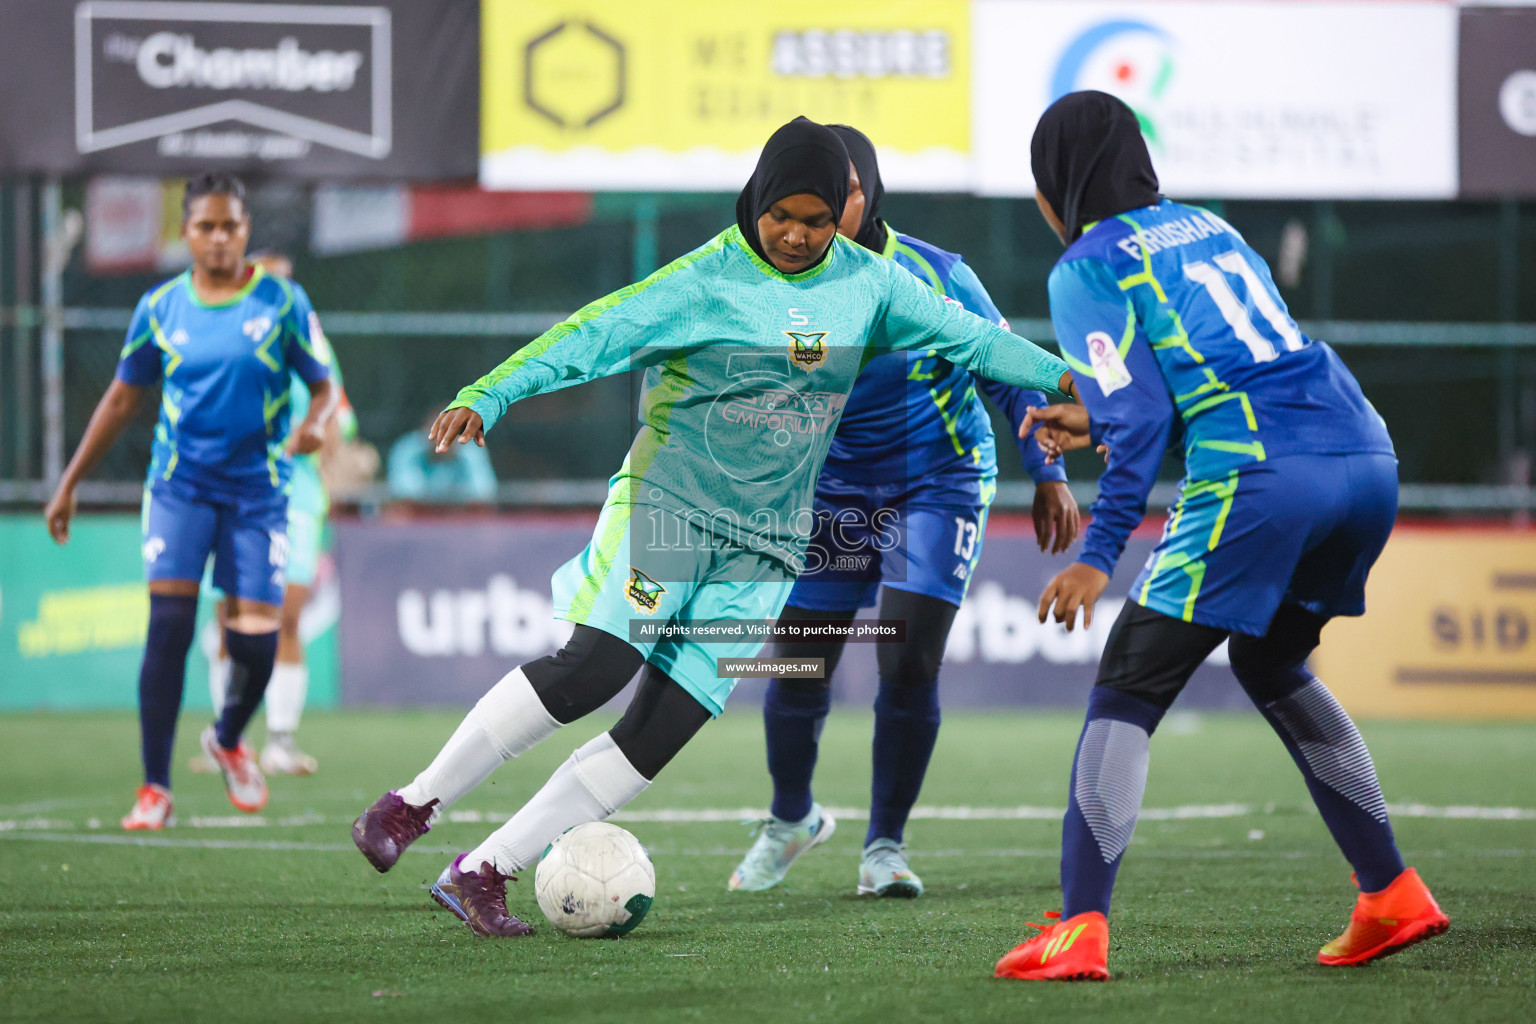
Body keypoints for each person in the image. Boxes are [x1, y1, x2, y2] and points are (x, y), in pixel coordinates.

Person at [350, 117, 1078, 937]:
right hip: (672, 507)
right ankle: (412, 805)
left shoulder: (873, 285)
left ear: (846, 208)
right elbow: (592, 335)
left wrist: (1071, 382)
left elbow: (978, 341)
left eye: (815, 217)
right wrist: (492, 392)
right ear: (756, 202)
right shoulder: (704, 280)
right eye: (783, 216)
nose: (798, 235)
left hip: (765, 548)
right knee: (596, 667)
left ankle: (484, 871)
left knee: (666, 723)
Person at [992, 92, 1447, 982]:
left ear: (1059, 185)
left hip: (1263, 469)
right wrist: (1097, 415)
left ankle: (1079, 926)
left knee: (1127, 684)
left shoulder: (1086, 262)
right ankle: (1390, 893)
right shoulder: (1207, 225)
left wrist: (1098, 554)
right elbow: (1213, 367)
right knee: (1271, 662)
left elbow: (1151, 417)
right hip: (1362, 450)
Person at [728, 124, 1079, 898]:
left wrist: (1047, 471)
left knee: (909, 659)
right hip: (831, 492)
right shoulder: (767, 278)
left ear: (867, 194)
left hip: (938, 481)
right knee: (796, 663)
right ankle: (791, 819)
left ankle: (884, 847)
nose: (820, 212)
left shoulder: (938, 274)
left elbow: (1010, 367)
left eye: (841, 194)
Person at [45, 173, 337, 830]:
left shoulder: (282, 301)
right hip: (179, 488)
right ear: (186, 232)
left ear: (246, 230)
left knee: (256, 643)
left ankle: (229, 737)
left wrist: (317, 422)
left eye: (229, 225)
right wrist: (69, 483)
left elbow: (320, 387)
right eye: (204, 225)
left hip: (258, 494)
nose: (217, 238)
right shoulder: (159, 308)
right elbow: (122, 397)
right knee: (170, 627)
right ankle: (155, 788)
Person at [193, 252, 355, 776]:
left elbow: (338, 422)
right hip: (232, 493)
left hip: (293, 497)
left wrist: (315, 438)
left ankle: (280, 741)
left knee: (285, 615)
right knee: (229, 614)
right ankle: (227, 738)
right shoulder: (222, 340)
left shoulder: (312, 344)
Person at [386, 409, 498, 503]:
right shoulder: (408, 448)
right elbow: (405, 494)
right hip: (418, 519)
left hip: (460, 519)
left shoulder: (470, 451)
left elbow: (483, 492)